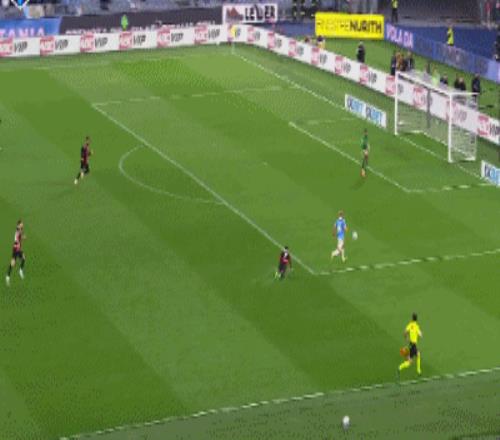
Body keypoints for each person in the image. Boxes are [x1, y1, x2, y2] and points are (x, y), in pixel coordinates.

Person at [398, 313, 423, 377]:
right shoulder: (416, 326)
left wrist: (406, 339)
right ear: (416, 319)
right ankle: (418, 370)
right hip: (413, 345)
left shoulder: (410, 325)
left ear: (412, 318)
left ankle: (400, 367)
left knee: (411, 360)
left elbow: (405, 332)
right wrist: (420, 334)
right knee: (416, 356)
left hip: (411, 344)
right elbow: (420, 335)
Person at [6, 220, 26, 286]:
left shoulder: (20, 229)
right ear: (18, 225)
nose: (22, 224)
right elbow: (18, 237)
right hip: (15, 249)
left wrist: (22, 237)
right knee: (12, 264)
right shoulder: (18, 231)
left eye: (22, 224)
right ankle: (7, 277)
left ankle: (20, 271)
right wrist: (23, 237)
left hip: (18, 249)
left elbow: (20, 237)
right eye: (21, 224)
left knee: (23, 258)